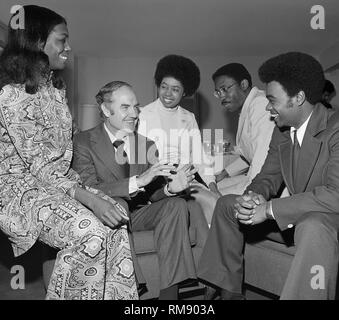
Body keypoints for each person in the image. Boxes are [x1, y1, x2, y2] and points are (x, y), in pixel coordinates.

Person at [0, 5, 138, 300]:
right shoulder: (11, 96)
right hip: (20, 193)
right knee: (91, 232)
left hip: (56, 185)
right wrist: (89, 198)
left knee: (116, 222)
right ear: (38, 43)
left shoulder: (55, 91)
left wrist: (97, 194)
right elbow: (40, 167)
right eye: (62, 40)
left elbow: (64, 155)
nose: (68, 47)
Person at [198, 51, 339, 300]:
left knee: (313, 225)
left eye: (272, 99)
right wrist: (252, 198)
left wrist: (270, 209)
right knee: (228, 204)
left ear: (298, 98)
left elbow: (334, 195)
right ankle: (228, 294)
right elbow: (268, 176)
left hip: (326, 220)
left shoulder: (335, 128)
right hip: (296, 217)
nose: (267, 106)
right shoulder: (282, 131)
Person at [72, 80, 208, 300]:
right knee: (120, 203)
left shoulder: (145, 144)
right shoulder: (83, 142)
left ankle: (170, 295)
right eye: (125, 107)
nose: (134, 114)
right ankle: (135, 289)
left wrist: (171, 189)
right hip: (108, 215)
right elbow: (91, 189)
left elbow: (154, 193)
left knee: (176, 204)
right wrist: (138, 180)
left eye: (136, 107)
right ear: (106, 110)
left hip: (139, 214)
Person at [138, 54, 220, 224]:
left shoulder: (188, 117)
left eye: (175, 89)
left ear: (185, 92)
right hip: (157, 181)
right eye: (164, 86)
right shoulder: (143, 115)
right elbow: (139, 159)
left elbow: (198, 156)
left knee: (213, 204)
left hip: (185, 177)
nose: (168, 93)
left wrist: (212, 186)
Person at [212, 63, 275, 196]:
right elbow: (249, 153)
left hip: (264, 182)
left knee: (212, 198)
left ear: (244, 84)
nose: (222, 96)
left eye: (225, 89)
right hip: (256, 174)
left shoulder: (260, 105)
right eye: (218, 92)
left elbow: (261, 159)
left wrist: (249, 193)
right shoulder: (249, 107)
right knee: (213, 188)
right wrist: (225, 173)